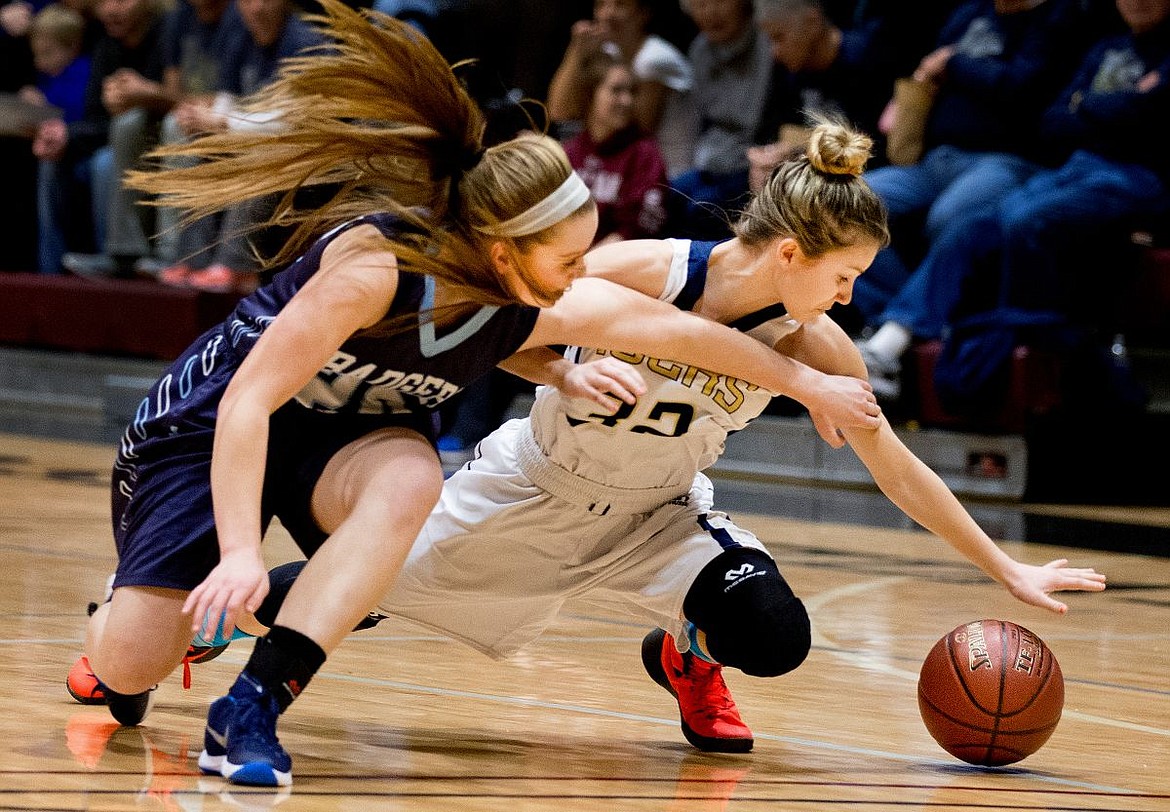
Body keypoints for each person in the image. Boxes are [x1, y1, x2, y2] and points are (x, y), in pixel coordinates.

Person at [64, 2, 886, 789]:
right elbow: (248, 404)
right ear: (501, 253)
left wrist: (800, 381)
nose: (578, 279)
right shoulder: (377, 269)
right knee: (130, 659)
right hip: (216, 423)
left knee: (413, 479)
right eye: (567, 261)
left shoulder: (526, 296)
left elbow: (677, 334)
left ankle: (250, 707)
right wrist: (241, 553)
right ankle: (119, 628)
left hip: (347, 434)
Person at [243, 119, 1107, 762]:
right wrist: (562, 372)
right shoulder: (642, 269)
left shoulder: (813, 346)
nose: (848, 300)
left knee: (776, 636)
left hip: (657, 520)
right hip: (532, 490)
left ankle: (685, 649)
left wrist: (1006, 567)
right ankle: (187, 618)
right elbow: (493, 327)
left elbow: (896, 467)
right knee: (347, 593)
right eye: (843, 277)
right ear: (792, 253)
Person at [856, 0, 1170, 410]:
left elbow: (1145, 115)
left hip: (1139, 174)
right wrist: (1120, 106)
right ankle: (893, 339)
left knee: (1015, 218)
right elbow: (1055, 121)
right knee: (968, 226)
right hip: (1073, 167)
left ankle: (1006, 345)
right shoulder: (1106, 47)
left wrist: (1089, 107)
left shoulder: (1064, 24)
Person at [546, 0, 693, 170]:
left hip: (669, 173)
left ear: (643, 14)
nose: (607, 14)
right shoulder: (609, 50)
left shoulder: (654, 58)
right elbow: (558, 111)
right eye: (601, 5)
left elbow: (634, 127)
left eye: (620, 4)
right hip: (618, 165)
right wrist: (575, 52)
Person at [562, 51, 671, 245]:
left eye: (631, 92)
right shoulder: (569, 152)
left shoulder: (645, 154)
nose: (627, 101)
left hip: (620, 261)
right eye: (616, 91)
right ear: (590, 94)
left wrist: (583, 264)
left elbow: (637, 231)